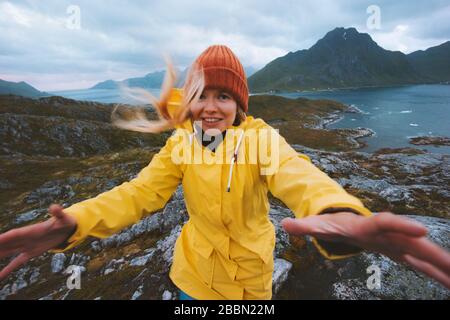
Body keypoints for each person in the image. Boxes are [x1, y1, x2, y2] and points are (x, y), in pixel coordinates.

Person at [0, 45, 449, 300]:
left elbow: (297, 173)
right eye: (203, 95)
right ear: (190, 100)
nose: (211, 107)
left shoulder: (260, 140)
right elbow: (137, 194)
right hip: (191, 279)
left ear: (239, 106)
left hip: (250, 287)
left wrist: (340, 214)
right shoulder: (180, 145)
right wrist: (75, 224)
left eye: (224, 97)